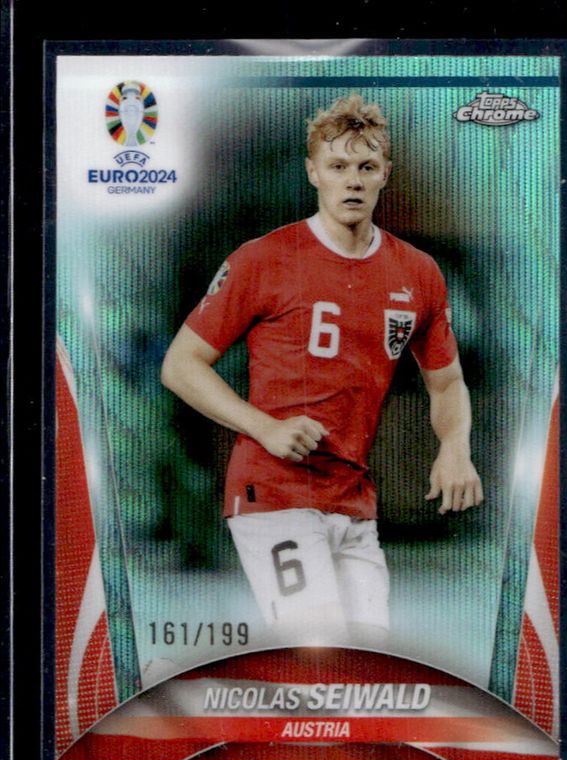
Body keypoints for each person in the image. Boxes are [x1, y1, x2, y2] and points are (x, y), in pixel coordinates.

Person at [161, 95, 483, 646]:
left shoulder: (417, 273)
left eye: (366, 166)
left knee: (366, 663)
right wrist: (265, 427)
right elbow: (180, 365)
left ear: (385, 174)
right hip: (273, 492)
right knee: (320, 651)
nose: (352, 181)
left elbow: (447, 380)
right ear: (313, 172)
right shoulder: (263, 259)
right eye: (337, 166)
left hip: (353, 500)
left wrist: (455, 448)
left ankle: (207, 684)